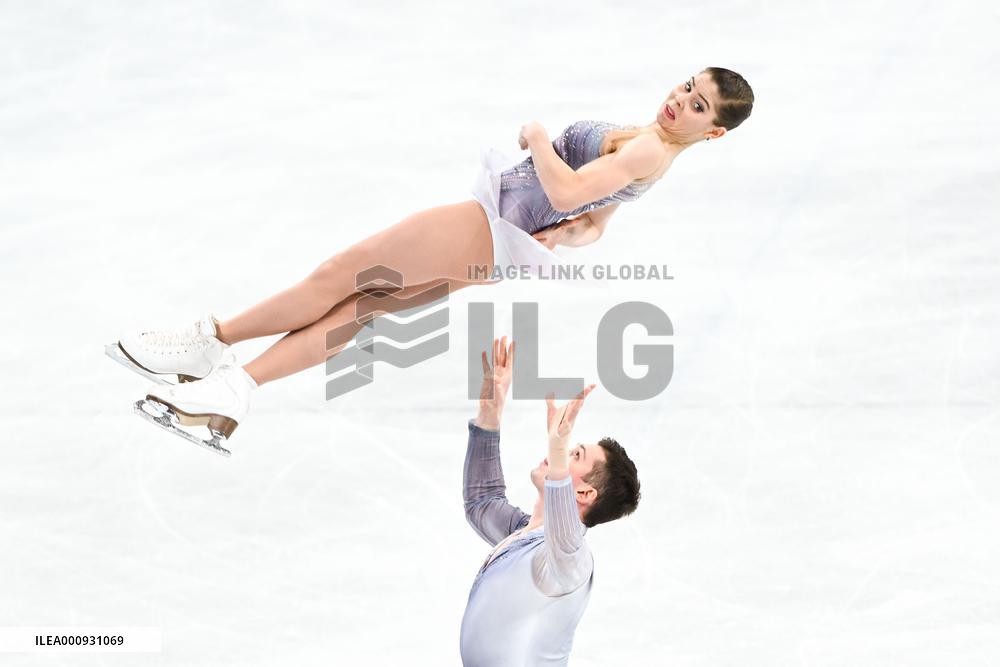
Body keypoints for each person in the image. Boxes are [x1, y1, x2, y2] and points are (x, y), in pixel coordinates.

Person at [112, 67, 754, 449]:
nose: (681, 100)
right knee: (359, 307)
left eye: (699, 106)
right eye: (687, 86)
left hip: (488, 225)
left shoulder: (648, 151)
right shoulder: (652, 148)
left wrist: (537, 137)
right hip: (500, 244)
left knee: (340, 274)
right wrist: (564, 237)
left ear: (715, 130)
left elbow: (565, 193)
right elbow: (594, 221)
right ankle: (236, 389)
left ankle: (209, 344)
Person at [460, 336, 640, 665]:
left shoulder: (571, 560)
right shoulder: (527, 536)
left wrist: (557, 451)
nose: (562, 453)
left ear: (584, 494)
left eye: (575, 455)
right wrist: (489, 416)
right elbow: (482, 502)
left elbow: (564, 534)